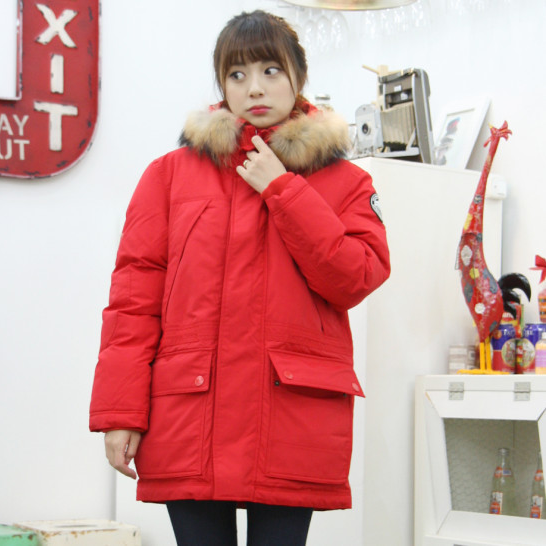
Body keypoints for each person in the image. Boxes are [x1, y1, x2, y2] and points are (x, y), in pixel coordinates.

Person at [90, 10, 390, 546]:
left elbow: (355, 277)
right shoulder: (168, 176)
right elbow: (134, 303)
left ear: (298, 76)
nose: (254, 87)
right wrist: (120, 413)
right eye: (237, 74)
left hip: (289, 418)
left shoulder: (346, 182)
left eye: (271, 70)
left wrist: (283, 190)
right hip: (191, 416)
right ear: (221, 84)